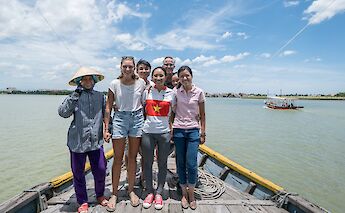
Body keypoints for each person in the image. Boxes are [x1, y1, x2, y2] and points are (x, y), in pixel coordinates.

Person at [58, 67, 108, 213]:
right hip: (77, 142)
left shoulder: (101, 96)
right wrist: (75, 95)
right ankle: (82, 202)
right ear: (79, 82)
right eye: (84, 79)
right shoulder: (73, 96)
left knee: (100, 169)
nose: (87, 81)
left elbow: (106, 116)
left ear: (94, 81)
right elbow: (63, 113)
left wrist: (107, 130)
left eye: (90, 78)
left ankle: (100, 195)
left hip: (96, 141)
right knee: (78, 173)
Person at [104, 56, 146, 211]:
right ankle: (114, 193)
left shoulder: (141, 83)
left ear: (134, 67)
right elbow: (108, 107)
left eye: (130, 67)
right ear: (120, 67)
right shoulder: (114, 84)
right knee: (118, 158)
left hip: (137, 119)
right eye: (125, 66)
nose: (128, 69)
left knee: (133, 158)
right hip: (120, 118)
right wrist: (106, 128)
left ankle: (130, 190)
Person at [141, 67, 175, 210]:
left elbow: (173, 112)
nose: (159, 78)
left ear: (165, 77)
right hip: (148, 132)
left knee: (162, 163)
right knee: (147, 163)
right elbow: (142, 109)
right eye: (156, 76)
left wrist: (171, 126)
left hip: (164, 133)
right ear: (152, 77)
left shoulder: (171, 93)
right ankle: (149, 191)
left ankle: (159, 192)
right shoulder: (146, 92)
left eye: (161, 75)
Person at [173, 65, 206, 210]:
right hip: (178, 130)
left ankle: (191, 194)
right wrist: (170, 129)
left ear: (191, 76)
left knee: (192, 163)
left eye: (187, 75)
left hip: (193, 130)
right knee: (180, 162)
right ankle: (183, 194)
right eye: (182, 76)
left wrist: (203, 132)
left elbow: (203, 115)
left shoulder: (199, 92)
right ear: (179, 78)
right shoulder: (175, 92)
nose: (185, 78)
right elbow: (172, 113)